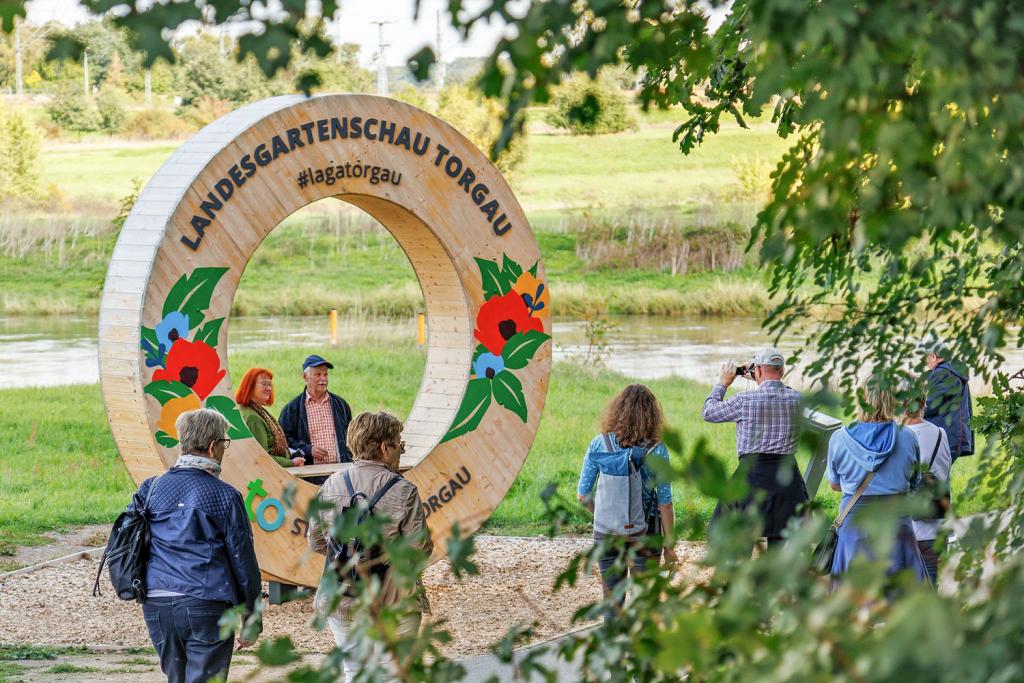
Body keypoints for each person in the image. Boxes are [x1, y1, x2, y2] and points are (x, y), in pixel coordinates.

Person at [132, 408, 262, 683]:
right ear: (213, 446)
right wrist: (251, 618)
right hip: (206, 601)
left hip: (157, 603)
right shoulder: (225, 495)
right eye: (225, 443)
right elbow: (243, 561)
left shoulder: (150, 488)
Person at [308, 412, 432, 682]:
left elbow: (316, 540)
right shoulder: (404, 491)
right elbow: (419, 550)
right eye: (400, 443)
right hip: (394, 598)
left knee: (355, 673)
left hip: (343, 595)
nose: (402, 450)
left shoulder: (332, 484)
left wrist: (351, 557)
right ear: (385, 448)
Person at [577, 385, 677, 615]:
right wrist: (669, 545)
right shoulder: (658, 450)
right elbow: (665, 502)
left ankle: (612, 648)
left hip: (607, 533)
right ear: (652, 415)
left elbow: (583, 495)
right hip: (645, 534)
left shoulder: (598, 444)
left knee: (612, 604)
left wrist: (605, 514)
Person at [701, 347, 807, 546]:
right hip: (787, 482)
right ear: (782, 371)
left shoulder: (744, 400)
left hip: (751, 479)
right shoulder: (798, 400)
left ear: (757, 370)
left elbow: (708, 412)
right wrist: (763, 379)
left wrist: (723, 383)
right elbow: (785, 392)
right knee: (781, 541)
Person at [827, 381, 927, 583]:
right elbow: (914, 483)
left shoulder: (838, 438)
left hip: (854, 522)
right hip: (896, 523)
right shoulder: (907, 437)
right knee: (902, 599)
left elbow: (835, 484)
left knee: (852, 599)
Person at [901, 391, 952, 585]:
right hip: (935, 528)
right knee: (931, 592)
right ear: (923, 402)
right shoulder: (940, 434)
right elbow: (945, 472)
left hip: (906, 530)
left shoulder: (896, 438)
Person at [279, 354, 353, 465]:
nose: (323, 379)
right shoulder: (292, 409)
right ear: (305, 377)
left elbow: (351, 436)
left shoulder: (341, 404)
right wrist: (308, 450)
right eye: (318, 374)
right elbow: (283, 440)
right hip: (309, 473)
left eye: (325, 375)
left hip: (339, 471)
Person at [236, 367, 305, 468]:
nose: (269, 388)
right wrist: (292, 463)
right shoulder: (252, 417)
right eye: (264, 384)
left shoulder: (255, 411)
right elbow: (262, 458)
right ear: (249, 386)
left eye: (270, 384)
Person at [921, 338, 974, 461]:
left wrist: (909, 414)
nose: (926, 365)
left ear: (933, 356)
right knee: (940, 476)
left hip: (946, 436)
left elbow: (930, 405)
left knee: (933, 477)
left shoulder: (943, 373)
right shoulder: (954, 371)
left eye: (925, 360)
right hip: (955, 435)